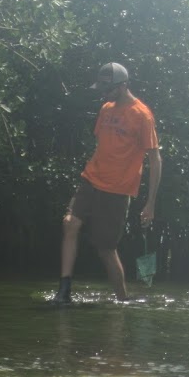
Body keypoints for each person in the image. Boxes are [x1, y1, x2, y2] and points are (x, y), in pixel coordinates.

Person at [53, 62, 162, 304]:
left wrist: (150, 203)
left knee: (106, 249)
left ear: (123, 86)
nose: (104, 94)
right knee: (69, 224)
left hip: (117, 189)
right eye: (101, 88)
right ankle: (64, 291)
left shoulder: (141, 115)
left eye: (107, 88)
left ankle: (122, 300)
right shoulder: (106, 109)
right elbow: (102, 146)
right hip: (90, 179)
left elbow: (155, 159)